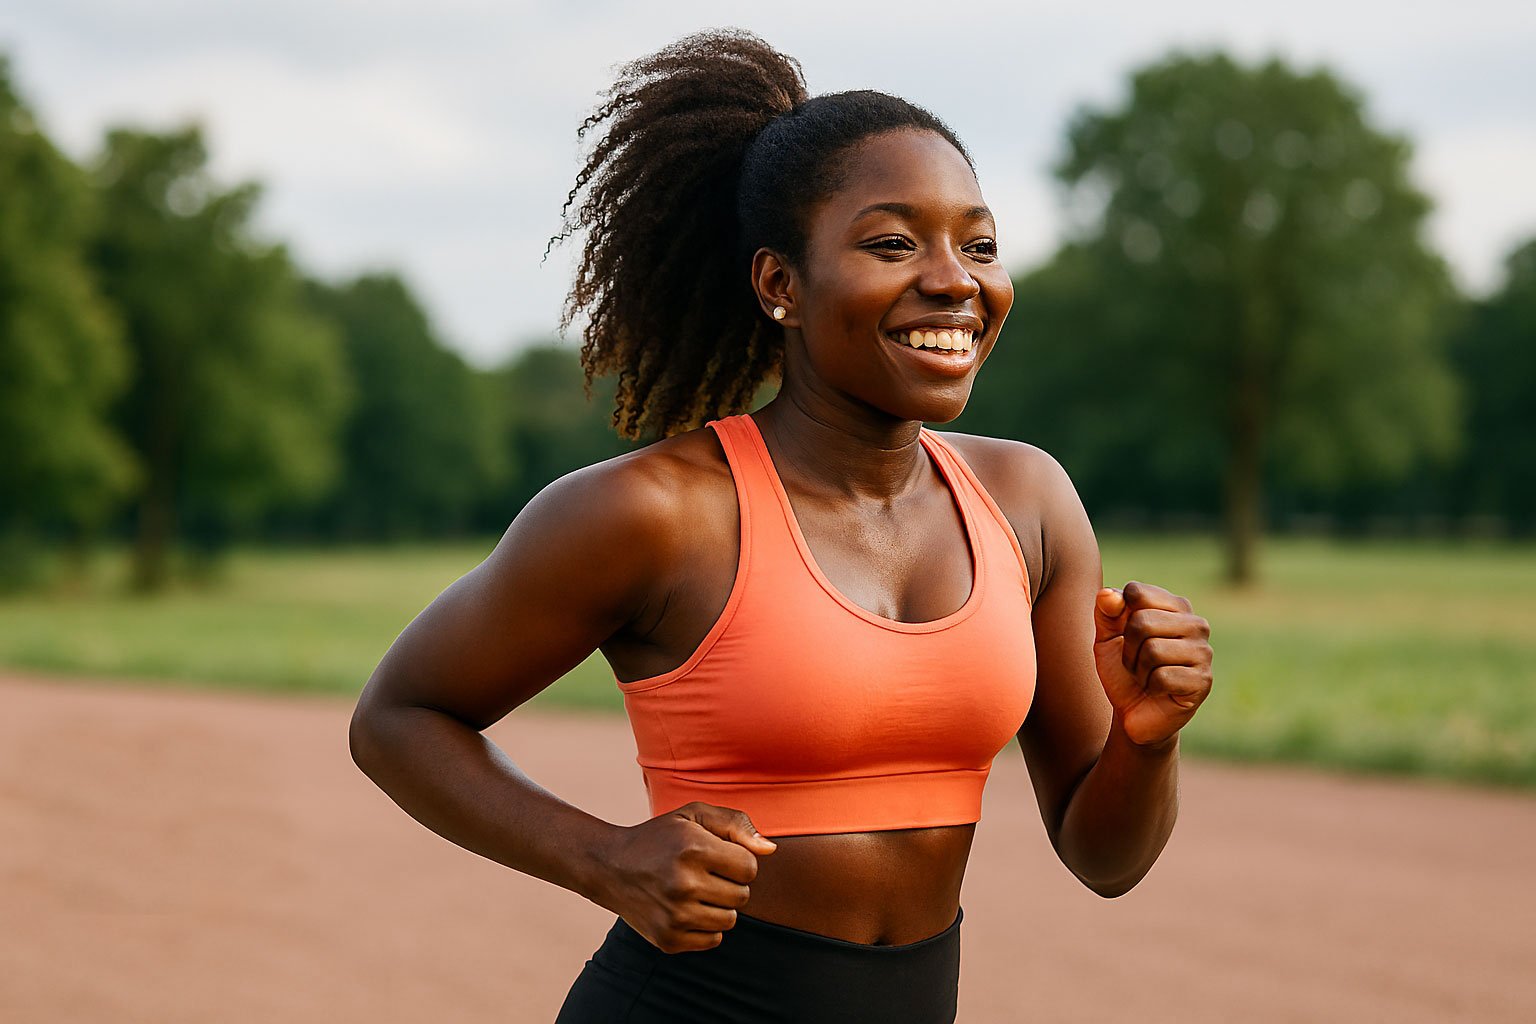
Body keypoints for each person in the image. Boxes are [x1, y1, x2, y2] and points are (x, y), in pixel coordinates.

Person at [349, 28, 1214, 1024]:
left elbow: (1104, 857)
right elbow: (399, 718)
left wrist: (1147, 742)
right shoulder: (658, 513)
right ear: (779, 285)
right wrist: (606, 857)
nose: (954, 280)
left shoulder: (1028, 502)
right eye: (893, 243)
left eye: (977, 244)